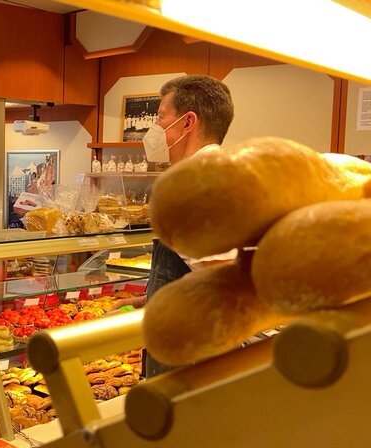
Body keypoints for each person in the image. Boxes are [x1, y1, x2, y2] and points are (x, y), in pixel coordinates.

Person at [113, 75, 235, 377]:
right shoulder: (228, 173)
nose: (153, 129)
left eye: (160, 118)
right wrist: (152, 298)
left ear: (187, 122)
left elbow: (224, 277)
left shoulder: (191, 187)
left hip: (187, 359)